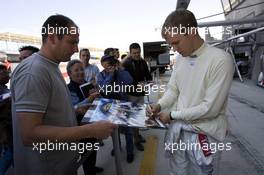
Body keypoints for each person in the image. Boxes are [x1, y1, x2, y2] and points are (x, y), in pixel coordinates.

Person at [10, 14, 116, 175]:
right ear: (52, 37)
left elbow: (48, 112)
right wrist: (91, 130)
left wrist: (73, 111)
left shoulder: (50, 66)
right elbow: (30, 134)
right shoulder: (34, 72)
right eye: (72, 42)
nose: (75, 49)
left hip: (61, 164)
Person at [147, 9, 234, 175]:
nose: (173, 48)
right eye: (171, 43)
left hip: (203, 134)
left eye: (176, 42)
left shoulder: (220, 60)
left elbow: (210, 108)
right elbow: (173, 90)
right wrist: (159, 106)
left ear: (192, 32)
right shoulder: (180, 59)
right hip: (179, 131)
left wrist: (171, 115)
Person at [66, 59, 103, 175]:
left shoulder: (88, 84)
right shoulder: (69, 89)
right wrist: (90, 98)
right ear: (69, 74)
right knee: (85, 152)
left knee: (92, 149)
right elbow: (74, 107)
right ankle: (89, 171)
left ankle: (92, 167)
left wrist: (98, 95)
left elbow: (98, 101)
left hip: (92, 122)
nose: (80, 72)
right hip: (80, 126)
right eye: (76, 70)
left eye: (81, 69)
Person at [97, 55, 135, 163]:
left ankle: (130, 152)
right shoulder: (101, 75)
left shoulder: (121, 72)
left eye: (109, 66)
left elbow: (129, 81)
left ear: (114, 64)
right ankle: (117, 147)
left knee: (128, 130)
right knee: (114, 130)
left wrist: (120, 70)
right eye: (105, 67)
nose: (107, 69)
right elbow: (104, 88)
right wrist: (111, 74)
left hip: (124, 104)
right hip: (111, 105)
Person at [122, 42, 152, 151]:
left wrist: (149, 83)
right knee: (133, 118)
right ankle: (136, 140)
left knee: (139, 116)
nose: (136, 55)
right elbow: (120, 69)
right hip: (131, 94)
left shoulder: (142, 62)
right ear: (130, 53)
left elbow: (148, 76)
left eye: (138, 52)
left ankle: (137, 135)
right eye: (134, 53)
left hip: (140, 93)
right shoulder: (127, 63)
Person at [0, 64, 13, 174]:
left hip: (9, 128)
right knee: (8, 154)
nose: (8, 75)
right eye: (4, 73)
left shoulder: (5, 88)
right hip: (3, 130)